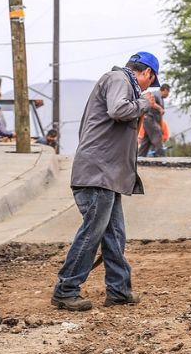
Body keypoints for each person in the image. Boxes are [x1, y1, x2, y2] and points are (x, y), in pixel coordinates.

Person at [51, 52, 159, 311]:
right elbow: (119, 110)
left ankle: (119, 290)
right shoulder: (119, 78)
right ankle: (65, 289)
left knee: (114, 235)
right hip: (97, 175)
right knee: (92, 234)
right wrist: (145, 104)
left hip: (107, 176)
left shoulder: (120, 82)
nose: (148, 88)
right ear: (147, 74)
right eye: (150, 82)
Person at [138, 84, 170, 158]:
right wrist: (160, 108)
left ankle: (140, 158)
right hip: (149, 118)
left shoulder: (161, 98)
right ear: (165, 90)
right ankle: (160, 157)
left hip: (152, 120)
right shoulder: (156, 94)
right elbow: (150, 103)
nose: (168, 95)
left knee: (147, 140)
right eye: (168, 92)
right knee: (157, 133)